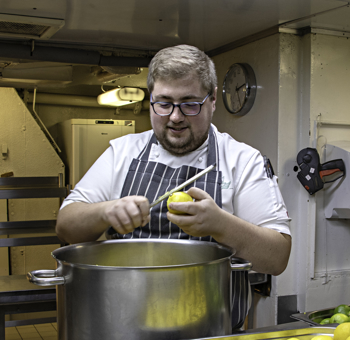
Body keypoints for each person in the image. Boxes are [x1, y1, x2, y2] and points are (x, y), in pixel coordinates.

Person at [56, 44, 292, 329]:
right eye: (164, 103)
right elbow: (66, 226)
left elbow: (277, 257)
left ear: (213, 99)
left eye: (190, 104)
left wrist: (220, 225)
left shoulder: (242, 161)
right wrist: (105, 212)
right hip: (123, 327)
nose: (175, 117)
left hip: (213, 329)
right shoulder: (122, 153)